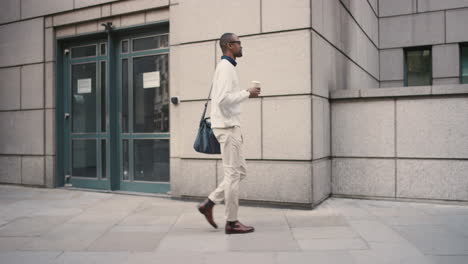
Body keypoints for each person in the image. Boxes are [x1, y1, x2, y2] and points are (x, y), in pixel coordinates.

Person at [197, 33, 261, 234]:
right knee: (233, 175)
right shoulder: (225, 68)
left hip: (230, 126)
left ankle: (209, 203)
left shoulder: (228, 68)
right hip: (227, 128)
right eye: (238, 43)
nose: (241, 46)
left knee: (240, 172)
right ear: (229, 45)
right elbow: (223, 99)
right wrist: (247, 93)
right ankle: (232, 222)